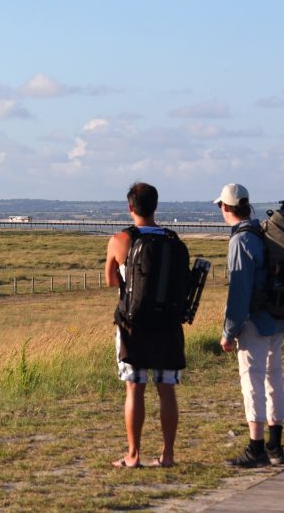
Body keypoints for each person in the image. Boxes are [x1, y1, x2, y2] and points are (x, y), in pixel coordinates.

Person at [105, 182, 186, 468]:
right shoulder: (173, 240)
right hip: (168, 324)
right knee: (166, 388)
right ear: (155, 206)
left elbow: (111, 280)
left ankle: (134, 454)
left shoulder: (120, 240)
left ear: (130, 207)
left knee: (134, 388)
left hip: (132, 325)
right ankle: (167, 455)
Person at [215, 183, 284, 467]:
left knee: (252, 382)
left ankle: (256, 447)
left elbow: (239, 292)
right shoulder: (263, 232)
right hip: (276, 318)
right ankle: (275, 446)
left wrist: (228, 331)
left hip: (253, 323)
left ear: (225, 207)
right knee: (274, 380)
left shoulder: (240, 241)